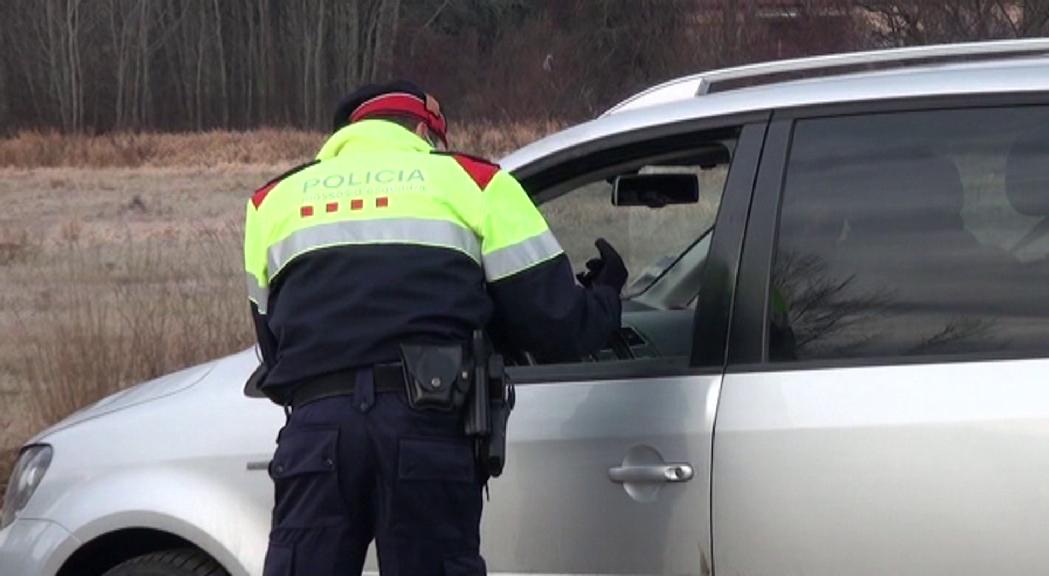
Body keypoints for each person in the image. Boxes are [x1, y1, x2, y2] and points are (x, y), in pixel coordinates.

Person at [243, 80, 626, 576]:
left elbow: (272, 346)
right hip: (426, 427)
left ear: (348, 133)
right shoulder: (476, 182)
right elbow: (555, 325)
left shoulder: (272, 200)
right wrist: (606, 297)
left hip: (317, 437)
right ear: (425, 128)